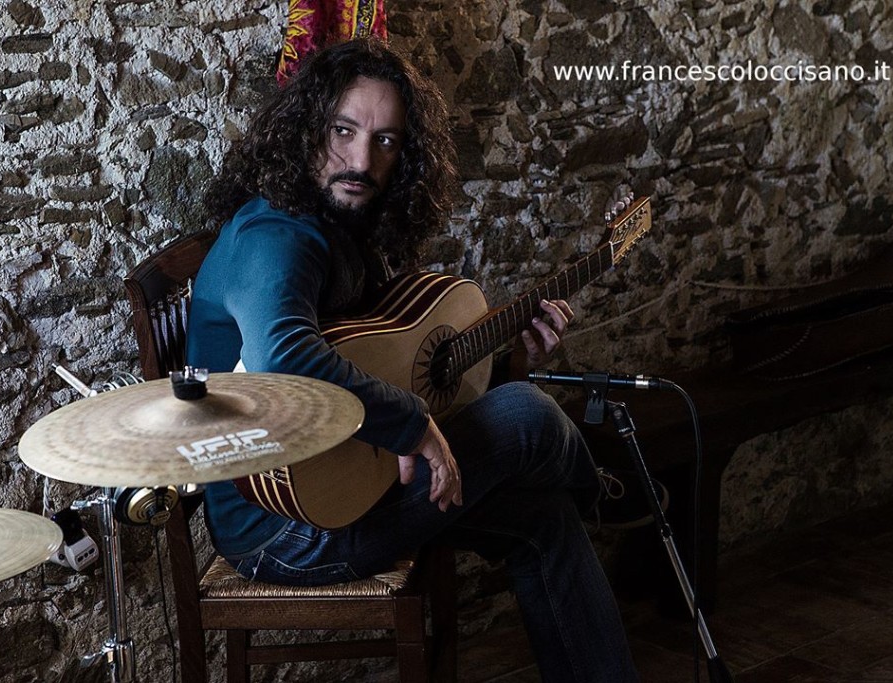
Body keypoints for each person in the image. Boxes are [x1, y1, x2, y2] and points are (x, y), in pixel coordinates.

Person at [187, 38, 641, 682]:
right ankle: (609, 494)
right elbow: (286, 358)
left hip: (351, 485)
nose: (362, 160)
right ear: (306, 129)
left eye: (387, 141)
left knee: (545, 516)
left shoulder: (346, 227)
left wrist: (512, 354)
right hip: (284, 528)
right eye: (344, 131)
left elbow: (385, 358)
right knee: (529, 415)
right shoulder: (276, 237)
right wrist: (412, 425)